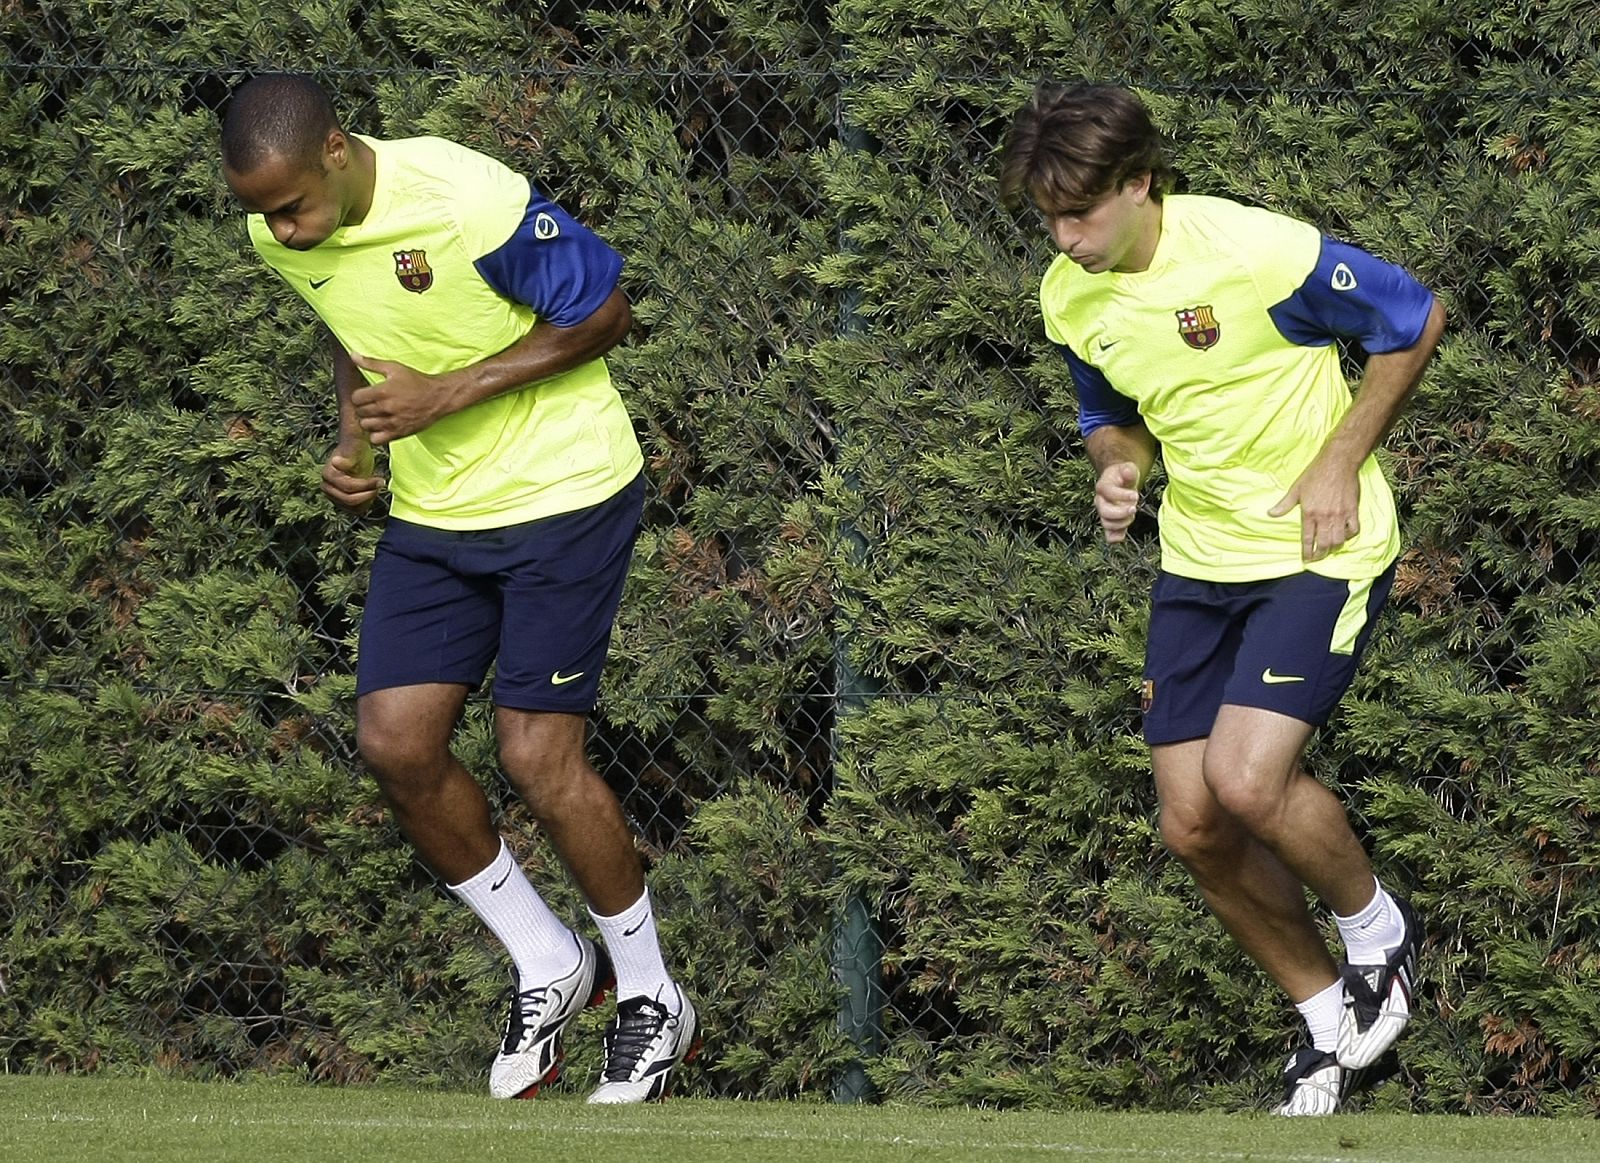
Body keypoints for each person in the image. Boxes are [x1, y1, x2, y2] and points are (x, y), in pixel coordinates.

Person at [219, 74, 697, 1104]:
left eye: (293, 205)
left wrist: (454, 390)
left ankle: (652, 993)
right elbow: (357, 342)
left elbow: (604, 309)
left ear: (338, 151)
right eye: (262, 214)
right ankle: (546, 959)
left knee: (536, 751)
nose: (283, 233)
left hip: (566, 491)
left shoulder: (464, 197)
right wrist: (355, 445)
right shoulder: (280, 237)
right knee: (396, 742)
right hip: (437, 516)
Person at [1000, 80, 1446, 1116]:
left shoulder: (1254, 252)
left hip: (1316, 549)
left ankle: (1380, 929)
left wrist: (1340, 461)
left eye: (1081, 212)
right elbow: (1110, 411)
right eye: (1048, 217)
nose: (1064, 236)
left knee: (1248, 782)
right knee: (1193, 823)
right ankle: (1328, 1022)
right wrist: (1118, 467)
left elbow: (1412, 316)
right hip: (1198, 564)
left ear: (1140, 181)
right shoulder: (1070, 293)